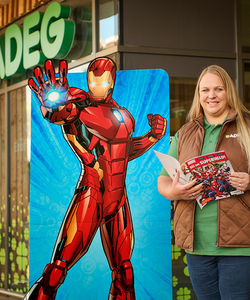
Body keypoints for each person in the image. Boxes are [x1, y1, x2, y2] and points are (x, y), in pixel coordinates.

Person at [26, 58, 166, 300]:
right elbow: (59, 113)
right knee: (58, 269)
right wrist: (55, 101)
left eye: (102, 82)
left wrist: (152, 137)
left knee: (125, 273)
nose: (97, 87)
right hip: (92, 193)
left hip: (118, 198)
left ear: (112, 83)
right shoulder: (79, 105)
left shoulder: (122, 115)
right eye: (93, 82)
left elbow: (125, 150)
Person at [157, 65, 250, 300]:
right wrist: (175, 191)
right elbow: (164, 179)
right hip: (198, 245)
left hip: (245, 243)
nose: (211, 95)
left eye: (219, 89)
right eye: (205, 90)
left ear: (229, 92)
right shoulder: (185, 132)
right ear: (198, 95)